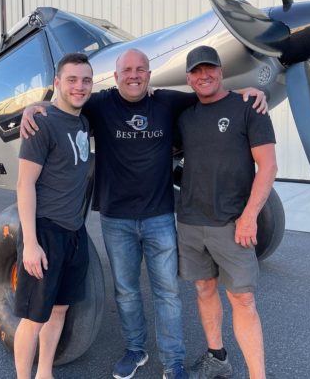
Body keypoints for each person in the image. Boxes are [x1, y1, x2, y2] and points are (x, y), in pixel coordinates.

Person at [21, 48, 267, 379]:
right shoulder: (98, 104)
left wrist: (248, 92)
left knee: (167, 292)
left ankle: (173, 361)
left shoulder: (167, 101)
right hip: (115, 218)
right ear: (116, 76)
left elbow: (209, 92)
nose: (134, 75)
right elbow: (65, 101)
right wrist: (34, 107)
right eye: (127, 70)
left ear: (149, 76)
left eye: (140, 70)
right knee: (126, 290)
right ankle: (135, 349)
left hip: (159, 216)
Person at [176, 46, 277, 379]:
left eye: (210, 69)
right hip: (191, 221)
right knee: (204, 289)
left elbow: (268, 166)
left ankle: (257, 375)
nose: (203, 76)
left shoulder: (249, 107)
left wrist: (249, 217)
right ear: (188, 77)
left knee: (242, 299)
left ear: (221, 71)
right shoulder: (185, 115)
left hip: (233, 224)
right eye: (196, 71)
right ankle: (217, 358)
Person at [14, 52, 93, 379]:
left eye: (86, 80)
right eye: (71, 80)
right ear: (56, 83)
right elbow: (24, 184)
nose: (79, 86)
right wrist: (30, 244)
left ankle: (44, 372)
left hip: (75, 233)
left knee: (59, 310)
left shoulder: (83, 121)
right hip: (45, 232)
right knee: (34, 318)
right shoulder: (40, 124)